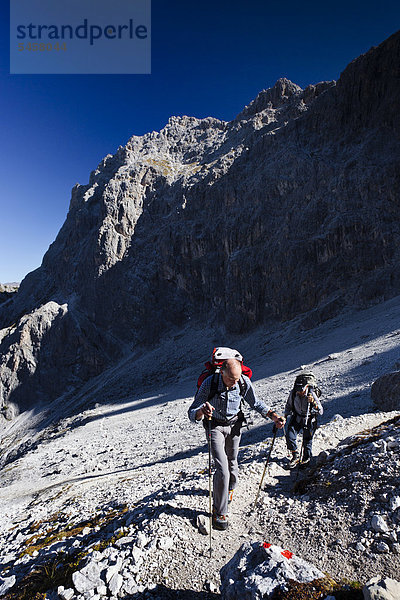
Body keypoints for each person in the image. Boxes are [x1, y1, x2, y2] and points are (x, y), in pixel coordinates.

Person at [188, 357, 285, 530]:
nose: (234, 383)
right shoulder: (210, 383)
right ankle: (220, 512)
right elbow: (192, 411)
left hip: (235, 426)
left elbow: (255, 403)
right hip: (215, 427)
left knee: (233, 462)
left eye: (237, 378)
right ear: (222, 372)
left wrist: (273, 416)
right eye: (231, 379)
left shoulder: (242, 382)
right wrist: (202, 411)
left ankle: (229, 490)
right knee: (222, 468)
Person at [285, 372, 323, 468]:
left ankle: (306, 459)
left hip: (309, 418)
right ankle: (295, 455)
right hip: (297, 417)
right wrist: (284, 417)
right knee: (290, 435)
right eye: (298, 391)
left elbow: (320, 411)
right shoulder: (293, 393)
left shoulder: (312, 394)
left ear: (306, 387)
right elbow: (289, 405)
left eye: (301, 390)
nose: (299, 392)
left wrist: (313, 402)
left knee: (307, 440)